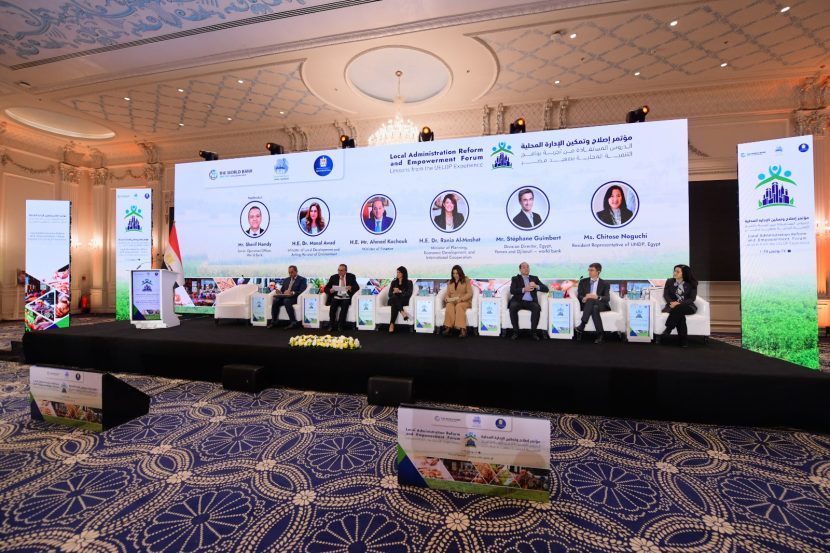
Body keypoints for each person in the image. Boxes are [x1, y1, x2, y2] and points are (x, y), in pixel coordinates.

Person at [656, 264, 698, 347]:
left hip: (688, 306)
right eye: (674, 271)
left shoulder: (692, 283)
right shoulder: (669, 281)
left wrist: (679, 303)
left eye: (677, 272)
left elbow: (692, 299)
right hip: (672, 306)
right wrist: (671, 303)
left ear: (684, 273)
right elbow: (666, 295)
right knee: (680, 315)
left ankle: (669, 328)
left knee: (679, 308)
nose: (674, 273)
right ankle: (683, 341)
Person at [508, 262, 549, 340]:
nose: (526, 269)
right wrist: (524, 289)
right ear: (520, 269)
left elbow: (546, 289)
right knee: (512, 306)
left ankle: (533, 332)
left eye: (527, 267)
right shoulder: (515, 278)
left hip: (531, 302)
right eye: (524, 267)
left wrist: (536, 286)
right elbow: (512, 291)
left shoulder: (534, 278)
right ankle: (516, 332)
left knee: (536, 307)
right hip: (518, 301)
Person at [575, 262, 610, 343]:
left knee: (592, 300)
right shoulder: (583, 281)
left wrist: (597, 297)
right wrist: (584, 298)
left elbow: (607, 298)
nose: (589, 272)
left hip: (601, 305)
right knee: (594, 307)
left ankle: (582, 324)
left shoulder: (605, 283)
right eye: (589, 270)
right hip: (587, 304)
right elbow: (579, 295)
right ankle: (600, 335)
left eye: (592, 270)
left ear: (598, 272)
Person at [324, 264, 359, 331]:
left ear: (345, 271)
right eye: (338, 270)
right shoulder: (333, 277)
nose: (339, 272)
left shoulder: (351, 276)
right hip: (336, 296)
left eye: (341, 270)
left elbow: (357, 287)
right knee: (333, 306)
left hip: (346, 296)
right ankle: (331, 325)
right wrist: (330, 290)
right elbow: (326, 288)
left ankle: (340, 325)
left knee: (345, 306)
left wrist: (351, 288)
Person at [441, 264, 472, 338]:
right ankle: (448, 327)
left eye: (457, 273)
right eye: (453, 273)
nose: (455, 275)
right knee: (449, 305)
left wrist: (461, 299)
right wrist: (447, 298)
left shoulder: (466, 280)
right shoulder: (450, 282)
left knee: (459, 306)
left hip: (464, 301)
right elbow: (447, 294)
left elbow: (470, 293)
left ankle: (462, 329)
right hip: (453, 301)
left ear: (460, 273)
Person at [387, 266, 413, 333]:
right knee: (394, 298)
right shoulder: (393, 282)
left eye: (399, 272)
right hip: (393, 299)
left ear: (403, 273)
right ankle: (402, 312)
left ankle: (392, 324)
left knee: (394, 302)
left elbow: (409, 294)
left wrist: (400, 291)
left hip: (403, 301)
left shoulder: (409, 282)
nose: (397, 274)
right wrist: (394, 292)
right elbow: (389, 294)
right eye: (397, 272)